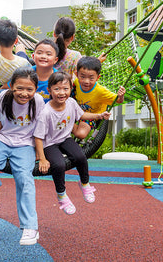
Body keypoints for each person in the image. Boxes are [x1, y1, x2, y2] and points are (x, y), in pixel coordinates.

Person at [0, 67, 45, 246]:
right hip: (3, 139)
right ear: (11, 86)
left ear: (36, 89)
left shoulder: (38, 101)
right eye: (19, 88)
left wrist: (41, 153)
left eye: (29, 89)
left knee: (24, 178)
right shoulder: (4, 98)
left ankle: (30, 227)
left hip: (25, 144)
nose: (24, 93)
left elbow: (40, 128)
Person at [34, 71, 111, 215]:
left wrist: (99, 115)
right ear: (49, 90)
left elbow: (82, 115)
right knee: (59, 165)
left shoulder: (71, 102)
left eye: (65, 89)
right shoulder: (45, 112)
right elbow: (38, 137)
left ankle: (85, 183)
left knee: (81, 157)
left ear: (71, 89)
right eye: (57, 89)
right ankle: (61, 194)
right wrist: (42, 157)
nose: (61, 93)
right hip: (49, 143)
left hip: (65, 138)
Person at [72, 56, 126, 139]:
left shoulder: (101, 91)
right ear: (77, 75)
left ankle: (67, 125)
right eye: (82, 77)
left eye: (91, 78)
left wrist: (121, 96)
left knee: (80, 134)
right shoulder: (76, 82)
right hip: (77, 111)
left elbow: (118, 100)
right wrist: (98, 60)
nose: (86, 81)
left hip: (91, 116)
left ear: (97, 78)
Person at [30, 38, 59, 103]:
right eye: (39, 53)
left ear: (55, 60)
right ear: (33, 56)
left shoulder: (59, 78)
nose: (43, 56)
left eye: (48, 54)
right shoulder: (25, 74)